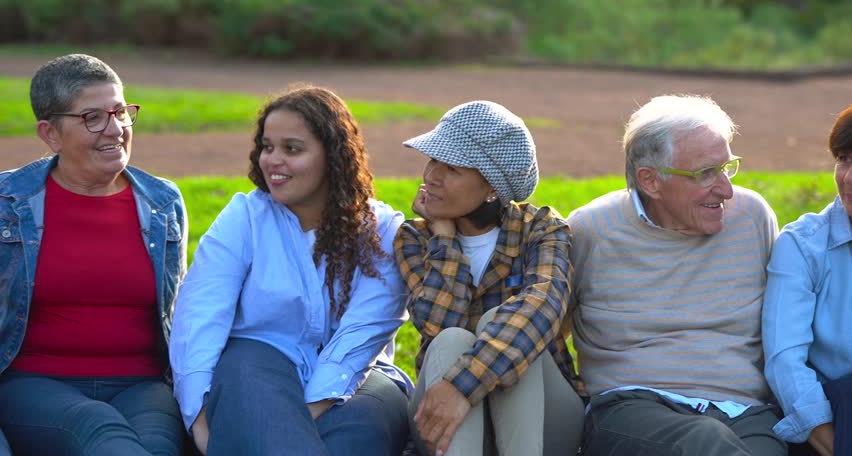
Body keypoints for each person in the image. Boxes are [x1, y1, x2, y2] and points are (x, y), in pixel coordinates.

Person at [169, 85, 411, 456]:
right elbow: (199, 317)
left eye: (292, 149)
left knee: (359, 430)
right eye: (267, 147)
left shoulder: (383, 231)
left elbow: (361, 337)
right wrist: (201, 423)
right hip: (254, 363)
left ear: (333, 156)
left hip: (358, 376)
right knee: (250, 384)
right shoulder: (244, 218)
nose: (273, 160)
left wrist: (294, 418)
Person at [568, 94, 785, 455]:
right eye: (705, 174)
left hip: (743, 411)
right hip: (632, 408)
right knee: (706, 443)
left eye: (727, 167)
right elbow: (547, 325)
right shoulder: (591, 229)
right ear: (650, 181)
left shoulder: (752, 218)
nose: (726, 189)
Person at [0, 54, 187, 455]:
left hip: (142, 384)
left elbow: (179, 308)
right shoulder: (7, 203)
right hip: (35, 382)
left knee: (157, 445)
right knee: (101, 431)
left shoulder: (163, 202)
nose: (116, 129)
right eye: (92, 117)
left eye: (120, 111)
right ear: (50, 133)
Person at [394, 101, 584, 456]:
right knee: (452, 339)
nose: (431, 175)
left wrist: (463, 386)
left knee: (510, 324)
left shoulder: (541, 230)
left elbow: (541, 310)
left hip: (544, 424)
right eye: (433, 160)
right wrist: (444, 238)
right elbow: (437, 325)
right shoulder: (415, 238)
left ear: (492, 187)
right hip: (446, 421)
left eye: (450, 167)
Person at [763, 105, 852, 456]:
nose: (848, 178)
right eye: (844, 160)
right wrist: (836, 445)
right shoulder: (802, 245)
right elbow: (785, 360)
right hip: (834, 415)